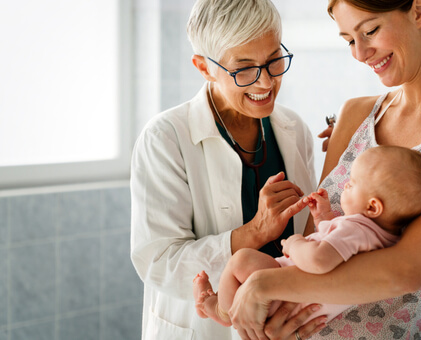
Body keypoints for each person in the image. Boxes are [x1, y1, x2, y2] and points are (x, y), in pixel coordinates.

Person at [225, 0, 421, 339]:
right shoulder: (356, 115)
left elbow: (408, 270)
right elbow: (317, 241)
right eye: (349, 39)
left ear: (419, 10)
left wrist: (263, 285)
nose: (360, 54)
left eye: (370, 30)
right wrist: (275, 308)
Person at [129, 0, 326, 339]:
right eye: (244, 68)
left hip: (283, 325)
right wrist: (255, 232)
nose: (266, 83)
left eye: (274, 60)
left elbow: (309, 238)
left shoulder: (293, 128)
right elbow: (159, 262)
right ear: (204, 67)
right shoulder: (165, 138)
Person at [193, 146, 421, 328]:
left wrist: (295, 243)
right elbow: (334, 248)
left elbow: (320, 260)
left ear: (372, 207)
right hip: (301, 304)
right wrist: (323, 217)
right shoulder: (380, 236)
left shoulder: (356, 228)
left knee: (241, 260)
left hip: (285, 291)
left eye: (352, 184)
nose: (345, 187)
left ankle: (221, 310)